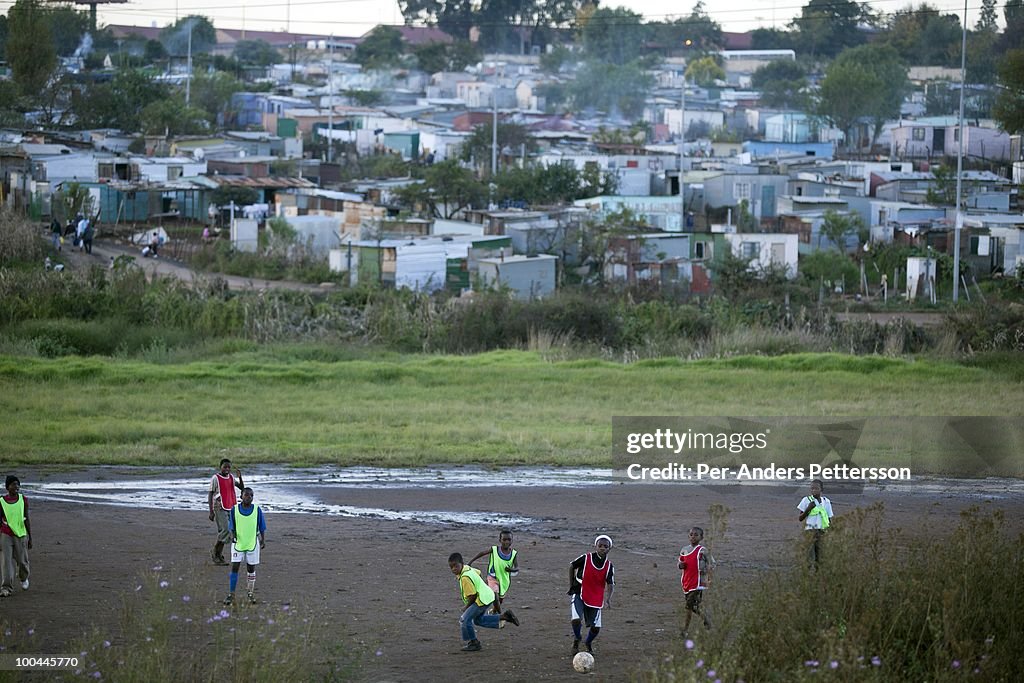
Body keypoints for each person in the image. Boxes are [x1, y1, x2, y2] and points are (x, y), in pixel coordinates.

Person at [448, 552, 519, 652]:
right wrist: (481, 585)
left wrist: (466, 607)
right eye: (451, 567)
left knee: (464, 619)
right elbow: (479, 572)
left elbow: (473, 596)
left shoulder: (464, 578)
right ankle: (505, 617)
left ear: (462, 564)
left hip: (480, 599)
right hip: (488, 596)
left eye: (456, 566)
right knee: (478, 620)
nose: (454, 569)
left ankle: (474, 643)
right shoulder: (468, 568)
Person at [568, 535, 614, 656]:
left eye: (605, 546)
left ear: (610, 548)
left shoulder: (609, 566)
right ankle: (577, 639)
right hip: (580, 592)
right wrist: (572, 584)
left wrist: (608, 599)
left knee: (595, 628)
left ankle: (588, 643)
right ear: (595, 546)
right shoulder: (586, 558)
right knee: (576, 620)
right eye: (600, 546)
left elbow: (610, 583)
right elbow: (572, 565)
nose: (602, 548)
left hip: (595, 596)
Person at [223, 487, 266, 606]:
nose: (249, 497)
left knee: (251, 569)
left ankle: (250, 593)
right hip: (238, 543)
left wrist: (263, 540)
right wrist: (232, 535)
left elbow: (261, 526)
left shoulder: (257, 510)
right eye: (246, 495)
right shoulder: (234, 509)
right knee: (235, 567)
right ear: (241, 496)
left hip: (252, 542)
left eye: (251, 495)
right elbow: (231, 525)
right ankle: (231, 594)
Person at [468, 528, 519, 615]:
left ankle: (494, 611)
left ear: (512, 541)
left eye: (509, 540)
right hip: (492, 577)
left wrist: (511, 570)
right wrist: (470, 562)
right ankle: (501, 616)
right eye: (504, 539)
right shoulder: (494, 550)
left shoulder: (513, 554)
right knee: (495, 596)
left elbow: (517, 567)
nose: (506, 542)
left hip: (504, 581)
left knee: (500, 599)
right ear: (500, 540)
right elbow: (482, 553)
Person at [678, 526, 714, 637]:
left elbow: (712, 564)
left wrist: (708, 576)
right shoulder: (684, 550)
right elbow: (680, 562)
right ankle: (705, 618)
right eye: (691, 534)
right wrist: (680, 565)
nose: (693, 537)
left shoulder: (703, 551)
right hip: (687, 581)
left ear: (701, 537)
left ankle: (684, 630)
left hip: (698, 583)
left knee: (689, 605)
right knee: (694, 606)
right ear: (688, 536)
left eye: (696, 535)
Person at [0, 475, 32, 598]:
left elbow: (27, 519)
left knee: (22, 561)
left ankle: (24, 577)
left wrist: (30, 537)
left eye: (18, 484)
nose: (16, 486)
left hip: (20, 534)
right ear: (8, 487)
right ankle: (6, 588)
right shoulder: (1, 501)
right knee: (6, 562)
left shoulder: (23, 499)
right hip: (6, 534)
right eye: (13, 484)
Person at [207, 459, 244, 566]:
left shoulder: (231, 477)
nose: (227, 469)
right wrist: (211, 511)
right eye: (225, 467)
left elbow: (242, 487)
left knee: (227, 532)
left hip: (231, 507)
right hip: (219, 507)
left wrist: (240, 477)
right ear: (220, 467)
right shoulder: (216, 478)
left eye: (229, 467)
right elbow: (210, 494)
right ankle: (215, 553)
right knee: (225, 531)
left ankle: (218, 555)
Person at [797, 479, 834, 566]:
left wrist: (830, 530)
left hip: (822, 531)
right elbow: (800, 518)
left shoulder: (826, 501)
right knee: (809, 555)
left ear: (821, 489)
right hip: (810, 531)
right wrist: (808, 509)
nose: (814, 490)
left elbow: (829, 517)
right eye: (812, 488)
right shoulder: (806, 500)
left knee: (820, 555)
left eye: (816, 488)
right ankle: (809, 574)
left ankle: (818, 575)